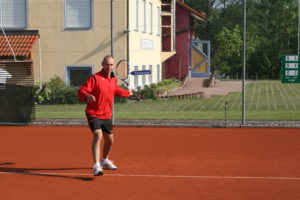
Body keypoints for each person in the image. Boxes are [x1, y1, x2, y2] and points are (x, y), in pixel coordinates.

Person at [78, 55, 132, 176]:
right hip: (93, 112)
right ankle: (97, 166)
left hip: (106, 114)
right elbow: (82, 90)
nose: (109, 66)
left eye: (111, 64)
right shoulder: (95, 78)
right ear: (102, 64)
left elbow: (116, 90)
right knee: (98, 135)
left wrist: (128, 93)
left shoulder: (113, 80)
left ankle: (105, 160)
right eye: (107, 64)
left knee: (110, 140)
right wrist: (87, 96)